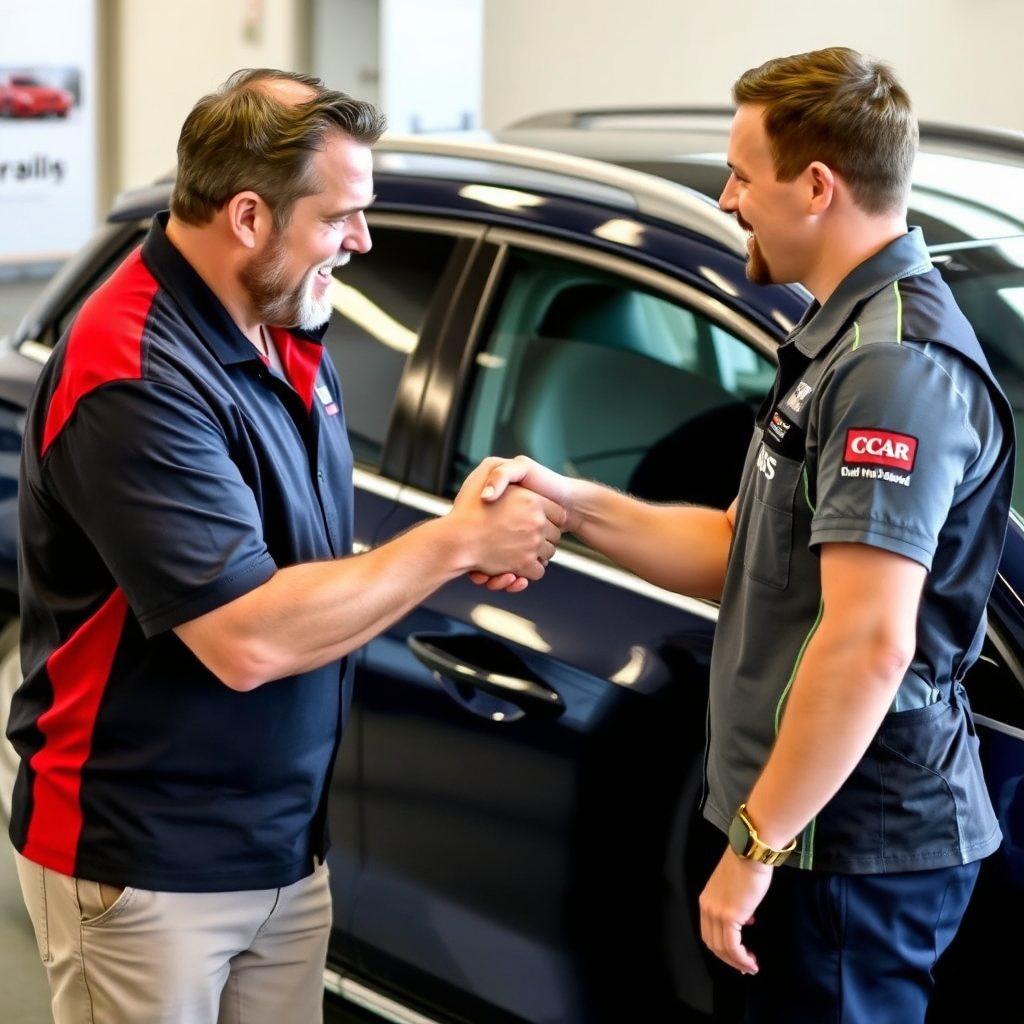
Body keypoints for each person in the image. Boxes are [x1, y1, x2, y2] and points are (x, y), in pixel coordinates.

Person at [6, 68, 564, 1024]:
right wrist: (448, 543)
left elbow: (308, 564)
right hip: (147, 865)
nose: (363, 242)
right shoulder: (131, 371)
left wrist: (455, 547)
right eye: (341, 216)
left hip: (280, 848)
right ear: (251, 218)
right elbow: (247, 638)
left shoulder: (283, 322)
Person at [475, 46, 1014, 1024]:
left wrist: (756, 845)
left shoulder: (893, 368)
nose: (728, 199)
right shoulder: (839, 342)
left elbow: (868, 642)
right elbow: (737, 548)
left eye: (741, 175)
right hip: (804, 832)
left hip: (843, 847)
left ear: (816, 186)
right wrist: (566, 500)